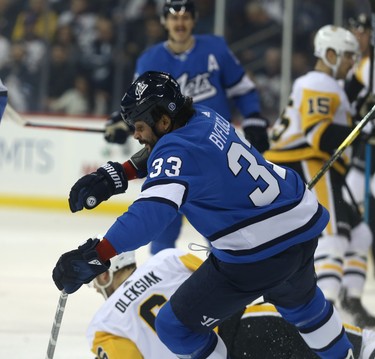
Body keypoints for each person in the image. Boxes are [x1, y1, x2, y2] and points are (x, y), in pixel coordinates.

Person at [54, 70, 354, 358]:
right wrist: (119, 173)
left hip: (257, 254)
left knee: (175, 328)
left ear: (163, 120)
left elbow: (150, 216)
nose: (136, 134)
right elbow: (170, 153)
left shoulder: (175, 151)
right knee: (303, 308)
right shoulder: (204, 116)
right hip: (300, 227)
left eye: (140, 126)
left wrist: (99, 254)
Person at [97, 0, 269, 255]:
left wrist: (253, 117)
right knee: (164, 225)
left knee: (223, 231)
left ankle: (228, 279)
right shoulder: (150, 59)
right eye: (174, 18)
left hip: (213, 153)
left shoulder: (215, 49)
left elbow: (242, 88)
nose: (180, 23)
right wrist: (121, 123)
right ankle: (163, 283)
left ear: (194, 20)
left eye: (186, 17)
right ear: (164, 21)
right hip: (172, 152)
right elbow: (137, 104)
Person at [264, 24, 375, 327]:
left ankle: (350, 302)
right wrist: (365, 130)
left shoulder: (328, 84)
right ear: (330, 54)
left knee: (360, 233)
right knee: (333, 236)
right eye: (348, 56)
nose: (353, 62)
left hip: (316, 164)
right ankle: (325, 312)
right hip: (307, 162)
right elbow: (319, 134)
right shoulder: (319, 82)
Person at [88, 248, 375, 359]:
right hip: (249, 328)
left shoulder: (105, 324)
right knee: (362, 350)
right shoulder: (167, 260)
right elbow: (226, 280)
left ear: (105, 273)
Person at [345, 13, 375, 277]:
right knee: (348, 210)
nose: (358, 37)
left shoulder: (369, 66)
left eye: (362, 31)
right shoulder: (354, 65)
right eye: (353, 31)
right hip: (355, 152)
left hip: (369, 150)